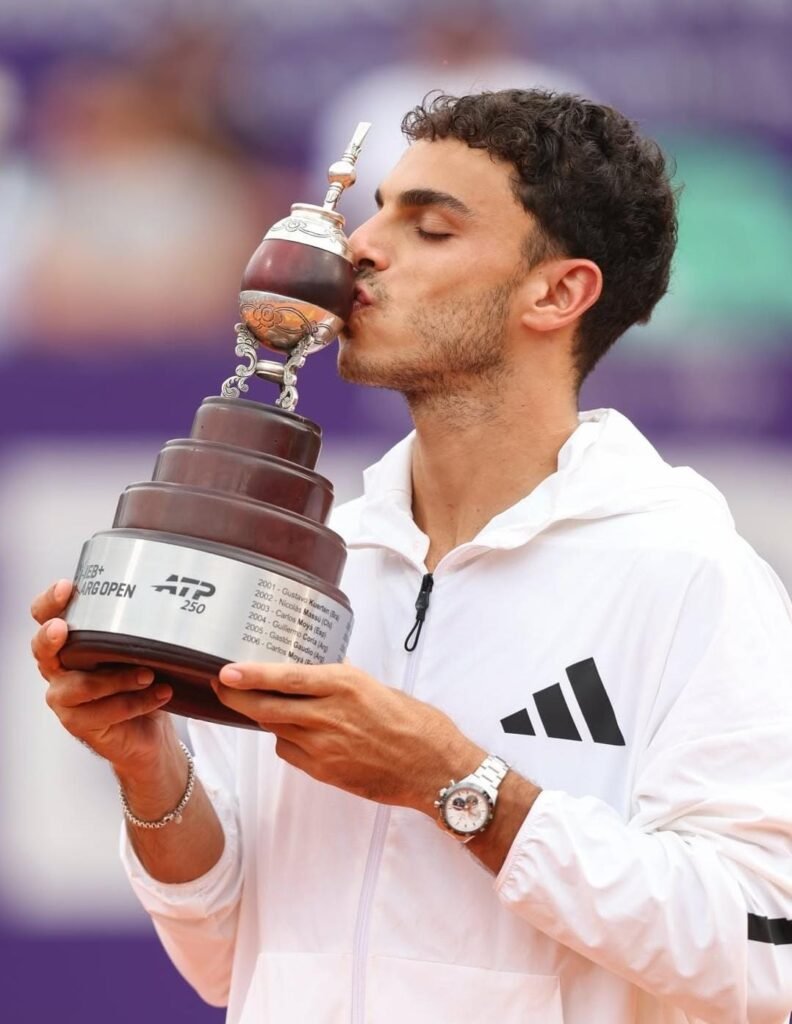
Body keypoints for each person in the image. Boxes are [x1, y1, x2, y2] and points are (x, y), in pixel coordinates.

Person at [31, 90, 792, 1023]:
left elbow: (767, 953)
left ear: (558, 292)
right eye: (376, 209)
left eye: (428, 227)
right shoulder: (323, 556)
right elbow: (233, 961)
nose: (359, 248)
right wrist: (147, 765)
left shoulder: (687, 573)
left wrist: (459, 785)